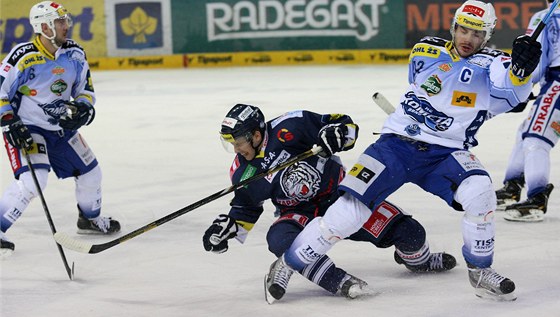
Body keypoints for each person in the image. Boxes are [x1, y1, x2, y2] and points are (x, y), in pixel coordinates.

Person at [265, 0, 543, 302]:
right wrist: (501, 83)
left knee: (481, 193)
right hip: (395, 146)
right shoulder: (426, 49)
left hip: (444, 154)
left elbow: (514, 92)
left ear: (487, 36)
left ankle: (480, 271)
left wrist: (520, 69)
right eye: (463, 30)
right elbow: (439, 84)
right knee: (348, 213)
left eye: (477, 34)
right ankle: (287, 263)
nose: (468, 39)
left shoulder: (496, 63)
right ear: (453, 27)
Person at [202, 104, 457, 304]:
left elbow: (344, 125)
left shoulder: (291, 125)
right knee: (280, 239)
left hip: (343, 198)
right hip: (298, 213)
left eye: (238, 142)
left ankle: (418, 261)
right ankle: (338, 281)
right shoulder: (241, 172)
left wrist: (335, 135)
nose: (236, 149)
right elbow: (246, 206)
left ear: (256, 135)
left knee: (412, 234)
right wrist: (228, 227)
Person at [0, 1, 120, 255]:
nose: (67, 25)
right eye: (60, 22)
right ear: (43, 26)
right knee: (33, 181)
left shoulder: (75, 53)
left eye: (65, 20)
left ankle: (88, 218)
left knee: (92, 176)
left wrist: (85, 108)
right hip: (29, 128)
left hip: (61, 129)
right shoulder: (22, 57)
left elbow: (85, 90)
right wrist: (9, 120)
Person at [495, 0, 559, 222]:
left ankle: (537, 197)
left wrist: (523, 87)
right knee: (526, 131)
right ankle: (513, 185)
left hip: (558, 84)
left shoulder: (547, 16)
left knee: (535, 139)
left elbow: (537, 59)